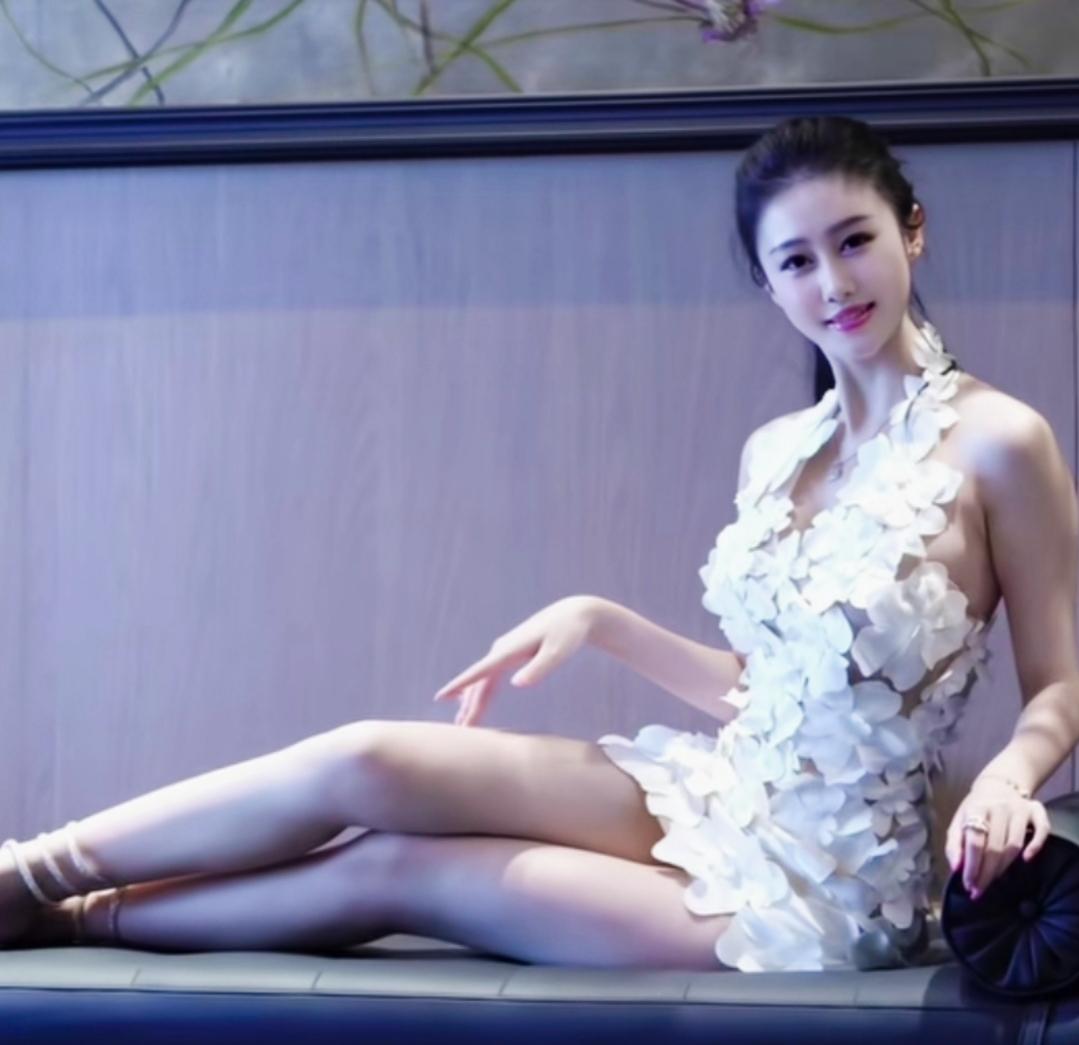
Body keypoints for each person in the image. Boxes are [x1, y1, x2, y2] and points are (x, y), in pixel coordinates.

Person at [2, 115, 1077, 973]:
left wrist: (1008, 778)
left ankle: (71, 922)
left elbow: (1060, 686)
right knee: (366, 758)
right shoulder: (776, 451)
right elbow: (777, 694)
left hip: (828, 885)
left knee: (398, 870)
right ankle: (28, 872)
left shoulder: (999, 441)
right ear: (766, 282)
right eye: (795, 260)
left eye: (853, 241)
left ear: (909, 232)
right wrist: (601, 621)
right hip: (723, 789)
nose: (832, 284)